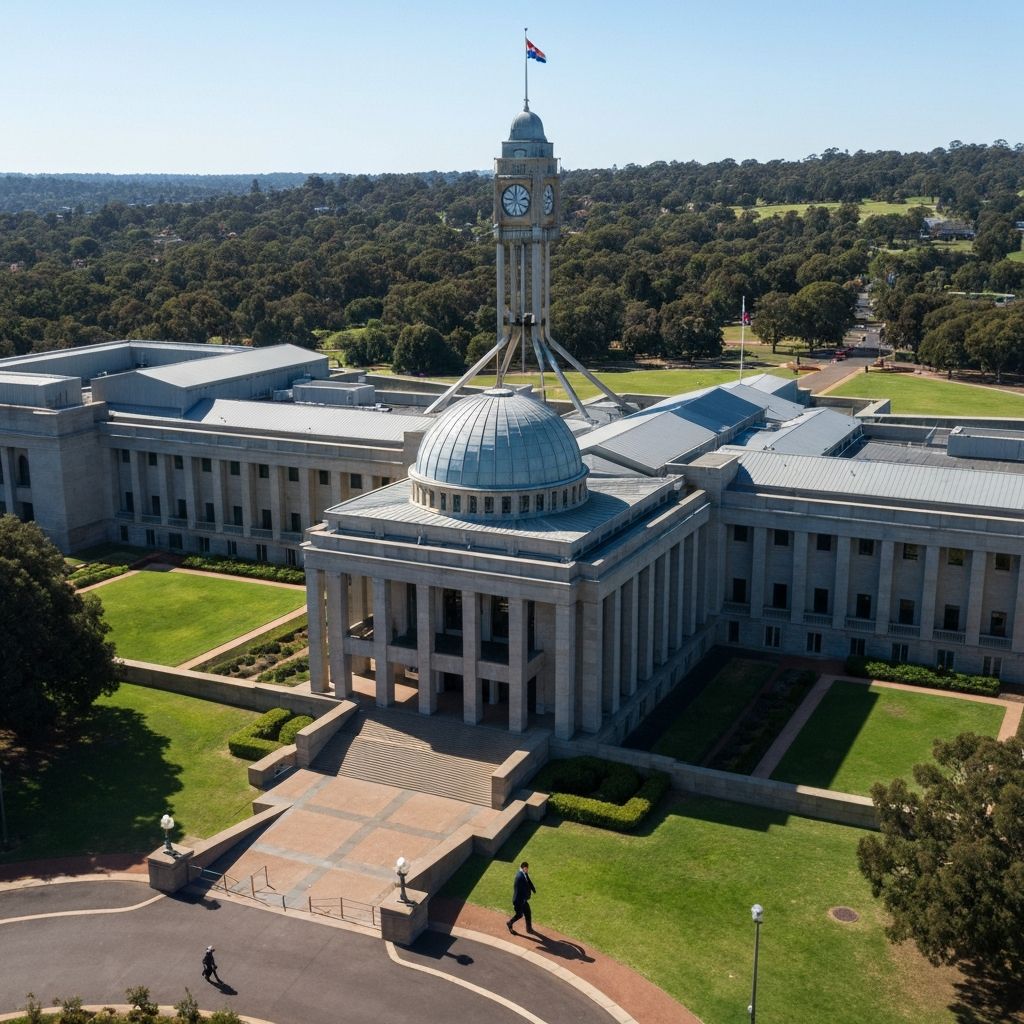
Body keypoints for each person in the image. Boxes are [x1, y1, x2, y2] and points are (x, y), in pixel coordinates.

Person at [506, 861, 537, 934]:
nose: (527, 870)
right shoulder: (519, 877)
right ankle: (509, 923)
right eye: (527, 868)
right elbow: (518, 890)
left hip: (523, 900)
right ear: (524, 868)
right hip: (518, 901)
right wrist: (525, 898)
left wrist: (533, 888)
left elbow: (528, 880)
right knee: (519, 915)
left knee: (528, 912)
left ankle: (529, 929)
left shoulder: (524, 873)